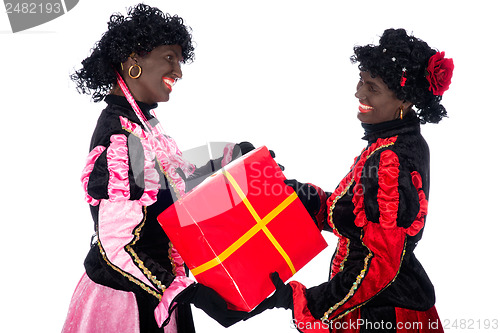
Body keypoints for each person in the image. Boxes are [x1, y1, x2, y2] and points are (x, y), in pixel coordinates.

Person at [61, 4, 253, 332]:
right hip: (131, 300)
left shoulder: (141, 124)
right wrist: (185, 291)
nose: (178, 72)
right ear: (133, 61)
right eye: (170, 58)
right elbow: (117, 245)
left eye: (179, 60)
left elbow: (170, 184)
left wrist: (230, 159)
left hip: (161, 290)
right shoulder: (122, 136)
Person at [263, 28, 454, 332]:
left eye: (372, 87)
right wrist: (284, 188)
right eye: (361, 81)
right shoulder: (390, 144)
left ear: (403, 101)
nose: (359, 93)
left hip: (383, 314)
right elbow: (356, 216)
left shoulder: (391, 159)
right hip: (377, 304)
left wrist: (305, 300)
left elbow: (380, 263)